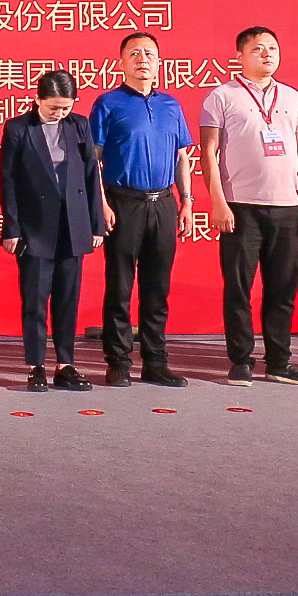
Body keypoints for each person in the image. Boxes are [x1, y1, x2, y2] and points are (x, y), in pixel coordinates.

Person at [198, 27, 298, 388]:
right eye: (257, 49)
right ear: (239, 56)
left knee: (282, 289)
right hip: (241, 207)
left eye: (272, 48)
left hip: (287, 206)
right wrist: (218, 203)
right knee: (239, 288)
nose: (267, 54)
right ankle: (241, 361)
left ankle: (279, 362)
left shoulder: (292, 97)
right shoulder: (222, 96)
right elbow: (208, 152)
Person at [89, 31, 196, 389]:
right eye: (134, 54)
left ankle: (155, 362)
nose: (142, 60)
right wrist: (101, 203)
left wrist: (187, 201)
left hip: (163, 203)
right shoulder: (108, 104)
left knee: (157, 288)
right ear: (121, 63)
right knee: (120, 286)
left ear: (159, 62)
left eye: (149, 53)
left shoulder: (171, 105)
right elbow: (94, 160)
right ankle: (118, 361)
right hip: (123, 203)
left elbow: (182, 157)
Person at [0, 69, 106, 392]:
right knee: (35, 300)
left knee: (67, 299)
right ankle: (36, 366)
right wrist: (12, 227)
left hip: (73, 224)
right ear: (37, 100)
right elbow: (9, 180)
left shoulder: (79, 125)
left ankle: (65, 364)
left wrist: (95, 224)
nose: (59, 113)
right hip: (34, 227)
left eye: (65, 107)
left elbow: (91, 175)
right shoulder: (18, 128)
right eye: (53, 107)